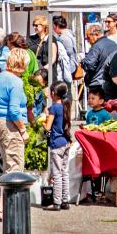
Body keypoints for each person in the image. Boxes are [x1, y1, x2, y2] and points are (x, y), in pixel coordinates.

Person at [0, 49, 29, 221]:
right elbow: (14, 110)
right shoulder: (16, 82)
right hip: (10, 125)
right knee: (15, 167)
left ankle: (1, 204)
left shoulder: (0, 77)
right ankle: (4, 208)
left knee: (6, 164)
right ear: (21, 63)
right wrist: (23, 130)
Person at [44, 82, 72, 211]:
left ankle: (56, 202)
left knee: (57, 174)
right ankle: (65, 200)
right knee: (64, 173)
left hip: (56, 144)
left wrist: (44, 121)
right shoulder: (66, 105)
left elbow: (48, 128)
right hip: (65, 142)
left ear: (53, 94)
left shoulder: (54, 108)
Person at [80, 24, 117, 94]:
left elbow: (89, 64)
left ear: (96, 35)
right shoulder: (114, 45)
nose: (88, 41)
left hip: (98, 84)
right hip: (112, 83)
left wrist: (82, 61)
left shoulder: (96, 47)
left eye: (89, 37)